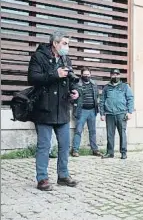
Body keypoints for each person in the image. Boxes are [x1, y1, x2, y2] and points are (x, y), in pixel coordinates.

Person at [28, 30, 80, 191]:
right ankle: (42, 178)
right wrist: (54, 74)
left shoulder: (66, 58)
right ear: (55, 43)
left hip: (63, 108)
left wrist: (75, 91)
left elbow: (71, 79)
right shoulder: (38, 57)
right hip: (44, 108)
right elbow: (32, 78)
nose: (67, 47)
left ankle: (63, 176)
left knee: (64, 145)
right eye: (64, 43)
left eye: (68, 44)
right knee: (44, 146)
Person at [99, 69, 134, 160]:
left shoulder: (125, 86)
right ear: (110, 75)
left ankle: (123, 152)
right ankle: (110, 152)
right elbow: (102, 101)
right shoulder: (106, 87)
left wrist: (130, 112)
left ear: (119, 75)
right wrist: (102, 113)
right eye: (113, 74)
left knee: (122, 133)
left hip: (121, 114)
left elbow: (130, 99)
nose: (115, 76)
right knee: (110, 134)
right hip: (109, 114)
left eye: (117, 74)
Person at [71, 67, 102, 157]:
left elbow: (97, 97)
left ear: (90, 75)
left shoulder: (94, 84)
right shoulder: (77, 84)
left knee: (93, 131)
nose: (86, 76)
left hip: (92, 111)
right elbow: (72, 98)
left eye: (88, 75)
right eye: (84, 75)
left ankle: (95, 150)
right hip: (82, 111)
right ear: (81, 75)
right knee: (78, 131)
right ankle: (75, 150)